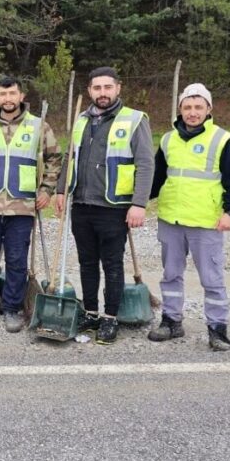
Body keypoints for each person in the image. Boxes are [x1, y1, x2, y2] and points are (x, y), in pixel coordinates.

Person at [55, 67, 154, 345]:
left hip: (114, 206)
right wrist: (62, 189)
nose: (102, 93)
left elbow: (146, 164)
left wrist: (139, 204)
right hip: (82, 204)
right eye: (97, 88)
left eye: (107, 87)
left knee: (112, 264)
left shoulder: (134, 120)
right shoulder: (81, 120)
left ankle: (110, 318)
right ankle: (90, 313)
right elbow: (70, 156)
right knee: (87, 262)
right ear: (89, 91)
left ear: (118, 88)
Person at [149, 83, 230, 350]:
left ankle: (217, 329)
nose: (192, 113)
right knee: (170, 274)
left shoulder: (224, 140)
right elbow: (156, 178)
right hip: (171, 219)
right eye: (187, 107)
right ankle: (171, 321)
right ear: (180, 110)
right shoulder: (168, 139)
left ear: (209, 109)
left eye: (198, 107)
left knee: (211, 279)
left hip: (206, 222)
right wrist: (134, 202)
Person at [0, 78, 60, 331]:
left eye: (12, 93)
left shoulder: (39, 126)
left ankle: (12, 309)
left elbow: (54, 159)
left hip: (22, 204)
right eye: (3, 94)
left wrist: (46, 190)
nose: (8, 98)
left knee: (17, 260)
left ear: (21, 96)